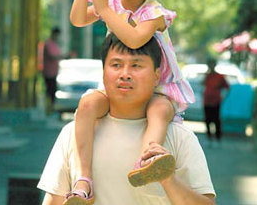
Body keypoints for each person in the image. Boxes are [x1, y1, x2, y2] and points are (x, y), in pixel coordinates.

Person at [68, 0, 195, 203]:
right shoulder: (112, 2)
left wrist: (104, 10)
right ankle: (84, 178)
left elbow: (135, 39)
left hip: (158, 87)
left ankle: (148, 159)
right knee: (88, 104)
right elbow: (78, 18)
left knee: (159, 110)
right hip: (122, 86)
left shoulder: (155, 13)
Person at [38, 33, 215, 205]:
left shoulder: (180, 137)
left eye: (136, 66)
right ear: (103, 73)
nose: (125, 74)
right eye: (116, 65)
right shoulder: (75, 133)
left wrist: (169, 180)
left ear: (156, 76)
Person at [203, 58, 230, 144]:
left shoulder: (220, 76)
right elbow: (202, 84)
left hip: (216, 101)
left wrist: (223, 97)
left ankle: (218, 138)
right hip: (207, 101)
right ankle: (209, 138)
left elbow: (227, 87)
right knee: (207, 119)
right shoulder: (207, 76)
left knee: (216, 120)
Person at [42, 27, 63, 114]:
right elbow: (52, 56)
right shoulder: (48, 44)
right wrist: (63, 56)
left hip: (54, 72)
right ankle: (48, 108)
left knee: (53, 90)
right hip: (48, 72)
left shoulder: (55, 44)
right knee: (49, 90)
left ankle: (51, 108)